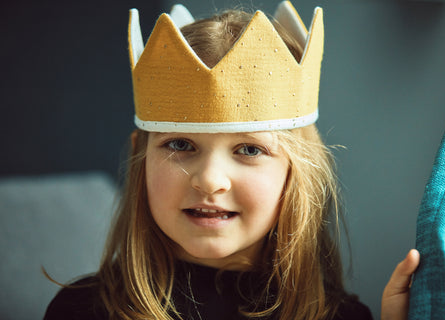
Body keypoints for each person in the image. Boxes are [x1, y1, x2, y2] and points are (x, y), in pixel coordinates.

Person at [44, 2, 419, 319]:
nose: (209, 180)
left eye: (250, 150)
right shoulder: (83, 309)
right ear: (139, 158)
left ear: (300, 171)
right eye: (180, 144)